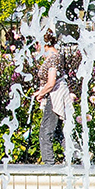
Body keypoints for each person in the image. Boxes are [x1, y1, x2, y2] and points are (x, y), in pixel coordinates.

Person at [35, 34, 68, 164]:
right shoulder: (55, 57)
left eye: (37, 44)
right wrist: (41, 92)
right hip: (55, 95)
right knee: (58, 132)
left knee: (45, 131)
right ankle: (79, 153)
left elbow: (51, 83)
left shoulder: (54, 58)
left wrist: (41, 93)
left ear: (45, 44)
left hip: (55, 97)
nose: (36, 48)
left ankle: (48, 164)